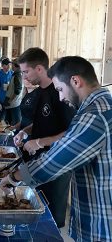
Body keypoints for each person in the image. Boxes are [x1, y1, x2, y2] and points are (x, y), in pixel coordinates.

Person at [0, 56, 112, 241]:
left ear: (76, 81)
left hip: (102, 223)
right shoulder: (101, 106)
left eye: (60, 89)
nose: (61, 97)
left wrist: (14, 177)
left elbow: (55, 161)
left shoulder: (96, 114)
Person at [11, 47, 75, 228]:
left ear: (39, 68)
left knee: (51, 220)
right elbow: (43, 123)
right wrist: (25, 132)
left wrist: (40, 142)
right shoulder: (40, 92)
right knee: (34, 212)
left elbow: (72, 132)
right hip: (38, 162)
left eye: (26, 72)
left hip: (57, 164)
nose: (24, 77)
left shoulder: (60, 92)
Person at [4, 60, 24, 126]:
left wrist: (10, 100)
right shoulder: (17, 74)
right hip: (14, 103)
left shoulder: (17, 75)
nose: (11, 66)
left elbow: (18, 90)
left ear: (15, 66)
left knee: (13, 124)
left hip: (14, 104)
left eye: (12, 64)